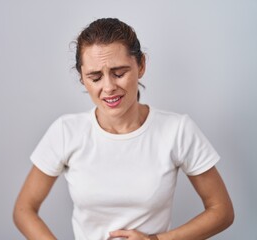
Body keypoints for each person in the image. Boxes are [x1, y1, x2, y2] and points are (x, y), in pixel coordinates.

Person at [13, 18, 234, 240]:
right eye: (95, 77)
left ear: (141, 65)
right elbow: (24, 210)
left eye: (119, 73)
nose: (108, 87)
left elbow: (222, 211)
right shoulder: (65, 131)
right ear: (82, 77)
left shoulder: (177, 130)